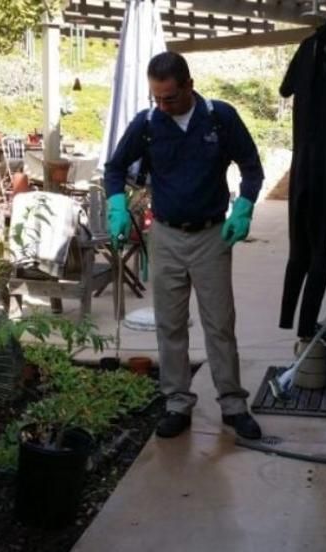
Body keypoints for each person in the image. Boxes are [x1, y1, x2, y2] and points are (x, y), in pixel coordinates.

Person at [103, 52, 265, 440]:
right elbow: (114, 168)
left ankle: (233, 404)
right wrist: (116, 205)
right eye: (156, 97)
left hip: (211, 235)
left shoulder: (219, 118)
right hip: (166, 235)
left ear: (189, 85)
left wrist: (244, 208)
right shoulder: (147, 124)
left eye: (170, 97)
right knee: (170, 324)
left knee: (219, 323)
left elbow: (251, 167)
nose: (162, 105)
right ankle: (177, 403)